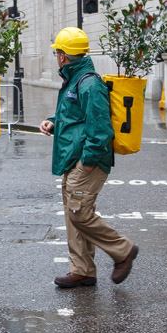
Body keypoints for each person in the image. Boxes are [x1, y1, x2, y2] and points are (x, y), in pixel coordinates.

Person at [39, 27, 138, 288]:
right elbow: (74, 118)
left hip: (86, 160)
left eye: (57, 53)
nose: (56, 57)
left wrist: (89, 161)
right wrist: (53, 122)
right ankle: (82, 270)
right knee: (74, 212)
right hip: (73, 158)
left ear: (62, 55)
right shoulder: (74, 79)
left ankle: (123, 250)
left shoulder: (89, 83)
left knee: (80, 213)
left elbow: (100, 129)